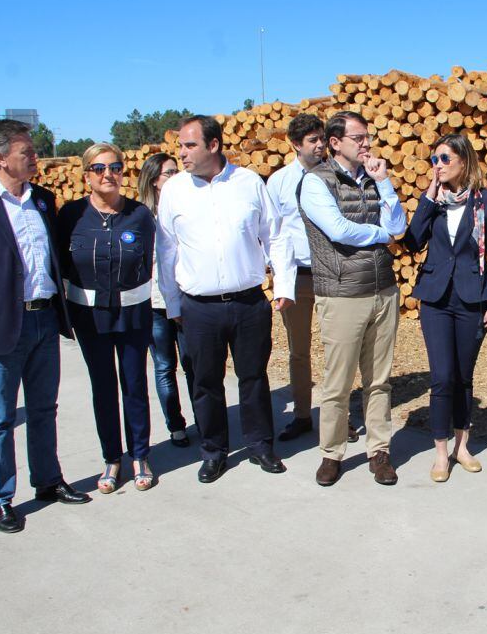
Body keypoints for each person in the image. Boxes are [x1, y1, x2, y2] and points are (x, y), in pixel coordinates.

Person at [0, 119, 91, 533]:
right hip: (1, 327)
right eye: (27, 152)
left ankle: (47, 481)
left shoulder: (43, 200)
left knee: (44, 408)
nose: (35, 157)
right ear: (0, 157)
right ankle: (1, 498)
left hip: (44, 319)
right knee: (0, 416)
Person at [156, 114, 293, 483]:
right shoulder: (174, 191)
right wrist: (173, 305)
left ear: (213, 145)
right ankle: (214, 451)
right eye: (181, 147)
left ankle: (260, 445)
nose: (182, 154)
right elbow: (165, 251)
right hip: (198, 308)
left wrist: (283, 286)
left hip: (249, 303)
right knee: (205, 382)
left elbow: (276, 235)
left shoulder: (248, 183)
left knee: (253, 378)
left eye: (189, 146)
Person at [297, 110, 407, 487]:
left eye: (367, 137)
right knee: (338, 382)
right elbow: (339, 230)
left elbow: (399, 226)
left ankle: (380, 450)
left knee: (379, 380)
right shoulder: (315, 182)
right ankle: (332, 453)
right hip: (342, 293)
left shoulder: (375, 179)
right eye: (359, 138)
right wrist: (381, 234)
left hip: (383, 289)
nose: (367, 144)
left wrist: (385, 183)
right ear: (335, 142)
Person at [403, 133, 487, 482]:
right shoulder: (434, 202)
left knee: (463, 376)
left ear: (464, 161)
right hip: (436, 298)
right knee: (442, 377)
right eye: (435, 160)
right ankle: (441, 453)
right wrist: (427, 200)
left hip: (472, 298)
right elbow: (413, 242)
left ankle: (463, 446)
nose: (438, 166)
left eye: (445, 159)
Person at [59, 143, 157, 492]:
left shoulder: (140, 215)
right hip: (90, 318)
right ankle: (112, 459)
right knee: (103, 387)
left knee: (134, 385)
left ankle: (140, 455)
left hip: (132, 314)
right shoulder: (70, 216)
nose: (108, 175)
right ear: (86, 175)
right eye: (99, 169)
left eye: (115, 167)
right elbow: (62, 267)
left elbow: (148, 263)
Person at [265, 113, 335, 442]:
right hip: (296, 276)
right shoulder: (278, 182)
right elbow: (271, 232)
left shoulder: (337, 175)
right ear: (296, 144)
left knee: (338, 348)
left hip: (332, 274)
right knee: (298, 351)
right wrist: (279, 277)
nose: (320, 145)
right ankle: (303, 414)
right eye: (313, 140)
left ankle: (339, 417)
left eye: (322, 138)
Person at [138, 152, 194, 448]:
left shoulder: (186, 208)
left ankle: (205, 420)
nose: (176, 176)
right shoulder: (141, 216)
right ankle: (176, 425)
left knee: (193, 363)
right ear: (154, 181)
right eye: (169, 173)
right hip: (154, 303)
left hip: (185, 299)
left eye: (177, 171)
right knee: (164, 366)